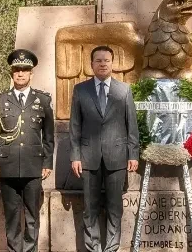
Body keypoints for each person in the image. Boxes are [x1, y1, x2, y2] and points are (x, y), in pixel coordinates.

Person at [69, 45, 139, 252]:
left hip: (117, 157)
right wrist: (75, 156)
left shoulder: (123, 90)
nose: (102, 64)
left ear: (112, 63)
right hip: (88, 157)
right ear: (91, 64)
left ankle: (111, 248)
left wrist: (133, 154)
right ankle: (92, 247)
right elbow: (75, 126)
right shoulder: (80, 90)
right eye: (98, 60)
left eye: (106, 60)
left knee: (114, 207)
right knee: (90, 207)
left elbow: (131, 125)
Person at [0, 49, 55, 252]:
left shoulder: (42, 100)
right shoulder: (0, 100)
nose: (21, 74)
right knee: (12, 215)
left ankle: (30, 250)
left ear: (31, 73)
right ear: (11, 73)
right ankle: (14, 250)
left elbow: (49, 135)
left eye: (25, 70)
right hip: (7, 167)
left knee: (32, 215)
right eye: (17, 70)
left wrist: (47, 162)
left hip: (33, 167)